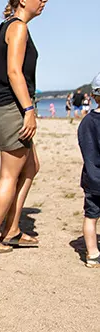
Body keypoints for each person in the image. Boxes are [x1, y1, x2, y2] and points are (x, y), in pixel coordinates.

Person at [0, 0, 47, 255]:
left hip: (2, 107)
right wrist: (29, 110)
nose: (44, 1)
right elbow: (14, 72)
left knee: (31, 166)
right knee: (9, 175)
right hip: (11, 108)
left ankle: (12, 230)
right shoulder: (17, 27)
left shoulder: (6, 26)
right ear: (22, 1)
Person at [78, 73, 100, 268]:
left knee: (91, 217)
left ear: (93, 96)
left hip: (92, 180)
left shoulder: (86, 122)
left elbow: (86, 148)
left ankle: (92, 254)